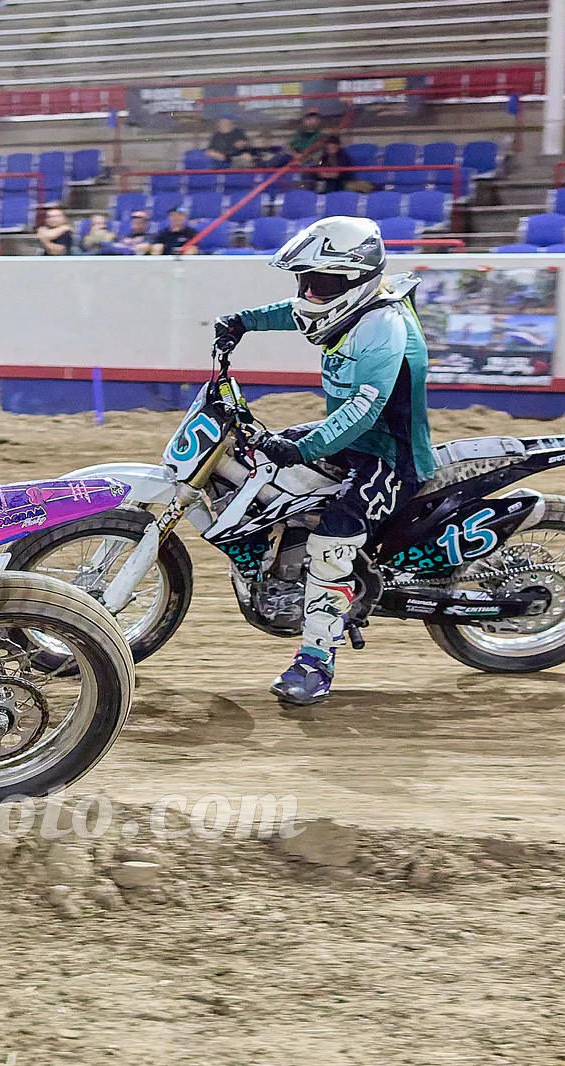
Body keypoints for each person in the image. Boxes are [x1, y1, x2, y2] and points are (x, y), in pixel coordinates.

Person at [213, 216, 435, 706]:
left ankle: (316, 660)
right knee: (250, 458)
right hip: (346, 440)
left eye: (322, 283)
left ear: (355, 280)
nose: (310, 293)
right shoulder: (343, 308)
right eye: (305, 281)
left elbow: (364, 410)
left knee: (330, 542)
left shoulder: (383, 326)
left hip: (387, 457)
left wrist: (304, 448)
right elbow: (293, 313)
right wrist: (242, 322)